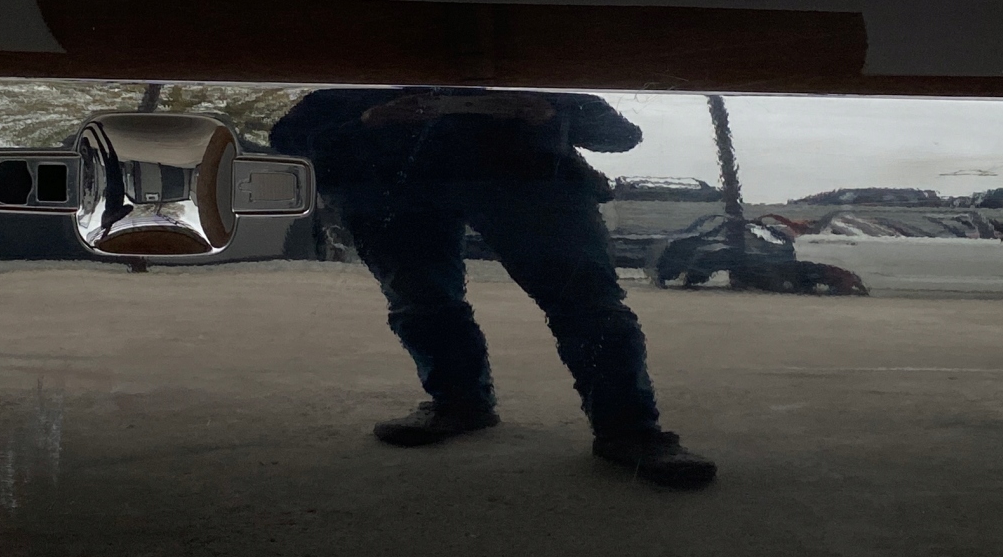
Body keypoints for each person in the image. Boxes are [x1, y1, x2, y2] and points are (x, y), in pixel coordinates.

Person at [270, 85, 716, 489]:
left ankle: (629, 429)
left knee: (588, 304)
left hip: (520, 181)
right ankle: (461, 404)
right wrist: (371, 120)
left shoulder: (523, 72)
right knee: (423, 302)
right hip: (397, 186)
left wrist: (545, 112)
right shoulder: (369, 75)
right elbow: (287, 138)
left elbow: (621, 136)